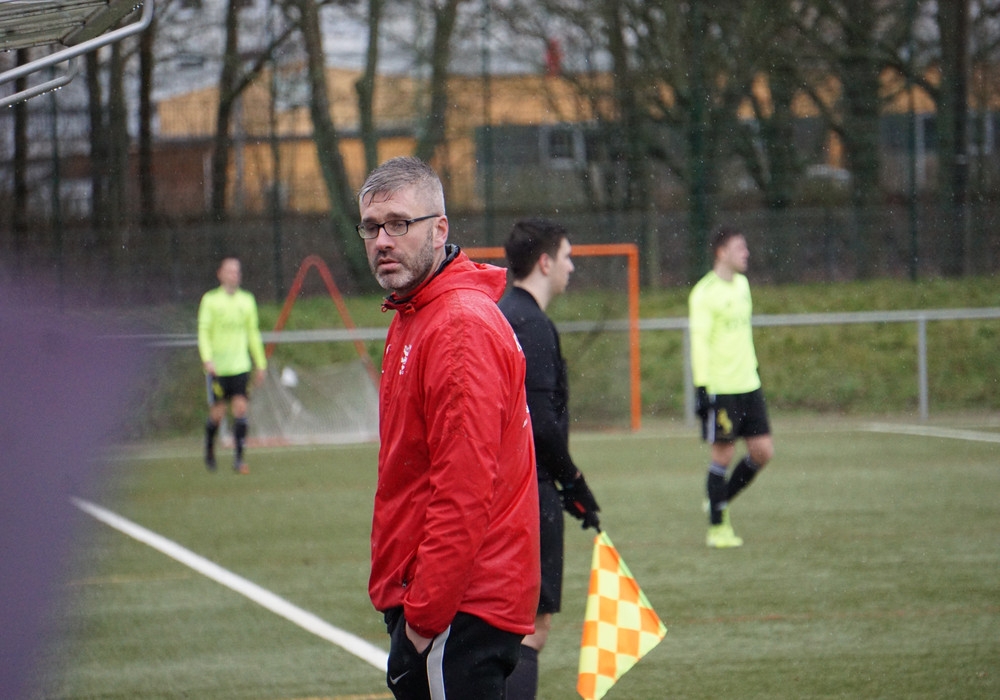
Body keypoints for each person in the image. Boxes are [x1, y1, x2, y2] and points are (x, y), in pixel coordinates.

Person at [360, 156, 541, 699]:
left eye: (399, 223)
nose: (383, 240)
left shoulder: (457, 327)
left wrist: (422, 622)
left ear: (440, 230)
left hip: (458, 609)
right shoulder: (417, 312)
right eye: (371, 227)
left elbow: (463, 492)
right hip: (446, 605)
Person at [498, 219, 601, 700]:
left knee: (496, 629)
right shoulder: (533, 326)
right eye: (566, 256)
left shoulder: (499, 313)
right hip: (528, 496)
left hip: (497, 490)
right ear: (544, 263)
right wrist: (573, 483)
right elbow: (539, 424)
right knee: (529, 631)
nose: (571, 267)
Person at [689, 227, 774, 548]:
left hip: (748, 385)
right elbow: (700, 343)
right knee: (723, 455)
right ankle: (717, 529)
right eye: (740, 248)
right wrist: (701, 388)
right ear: (721, 252)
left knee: (763, 452)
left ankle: (717, 499)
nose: (746, 253)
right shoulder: (704, 293)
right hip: (721, 388)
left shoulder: (743, 286)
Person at [197, 255, 267, 474]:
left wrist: (260, 363)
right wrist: (207, 359)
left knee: (240, 410)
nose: (234, 275)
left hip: (240, 367)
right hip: (217, 369)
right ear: (220, 274)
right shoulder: (210, 300)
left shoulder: (247, 300)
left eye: (237, 271)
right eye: (230, 271)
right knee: (217, 414)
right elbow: (204, 332)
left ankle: (238, 460)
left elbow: (253, 333)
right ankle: (209, 451)